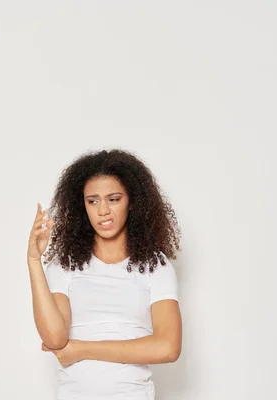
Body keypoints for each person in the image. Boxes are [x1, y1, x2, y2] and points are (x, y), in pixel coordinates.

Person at [27, 149, 182, 400]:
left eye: (113, 199)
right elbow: (55, 339)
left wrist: (81, 349)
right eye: (93, 201)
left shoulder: (155, 265)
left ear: (132, 201)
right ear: (82, 206)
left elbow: (168, 347)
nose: (103, 212)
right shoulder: (64, 265)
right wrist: (34, 261)